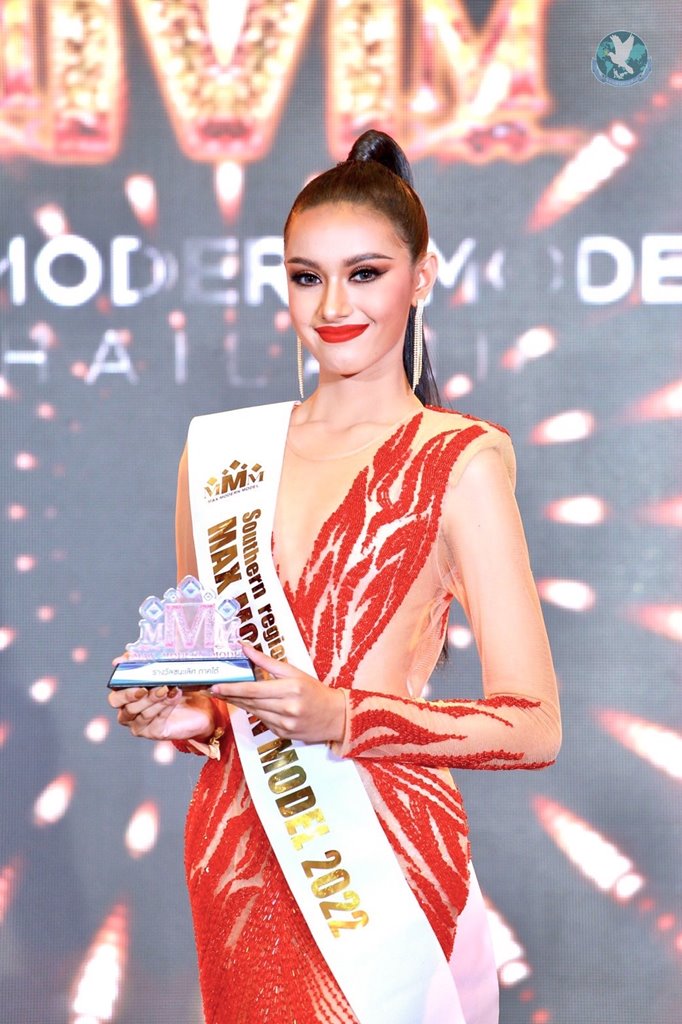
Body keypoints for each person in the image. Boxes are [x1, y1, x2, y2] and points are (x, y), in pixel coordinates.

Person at [109, 130, 561, 1024]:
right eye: (307, 276)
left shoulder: (460, 459)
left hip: (386, 856)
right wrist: (182, 715)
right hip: (241, 851)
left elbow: (534, 726)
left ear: (421, 277)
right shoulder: (218, 453)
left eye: (366, 273)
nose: (333, 305)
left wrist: (343, 716)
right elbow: (219, 688)